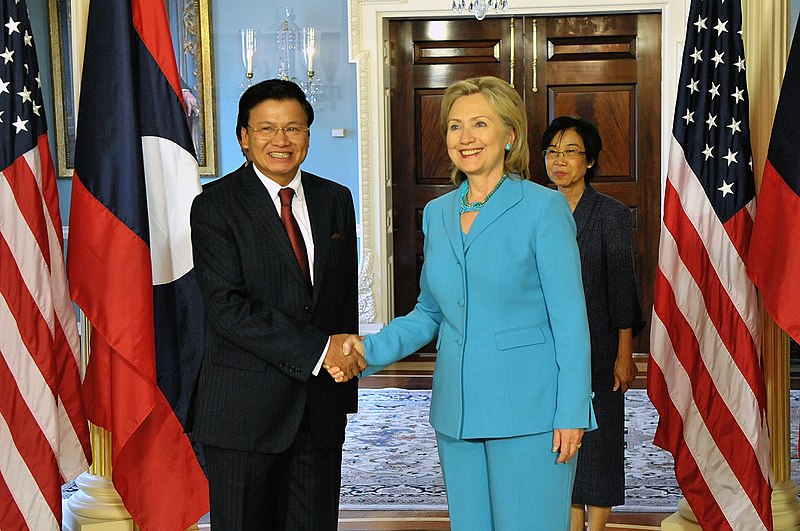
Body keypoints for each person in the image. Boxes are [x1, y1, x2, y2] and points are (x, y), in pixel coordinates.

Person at [330, 76, 595, 530]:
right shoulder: (437, 213)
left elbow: (571, 321)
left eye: (479, 124)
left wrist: (572, 411)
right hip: (456, 412)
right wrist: (364, 352)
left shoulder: (543, 208)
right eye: (455, 126)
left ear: (510, 135)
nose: (465, 138)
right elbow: (430, 312)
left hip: (531, 413)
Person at [189, 79, 366, 530]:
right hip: (244, 410)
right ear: (243, 138)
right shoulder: (214, 206)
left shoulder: (336, 199)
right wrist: (318, 351)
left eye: (293, 128)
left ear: (308, 134)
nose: (281, 141)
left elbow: (340, 300)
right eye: (267, 129)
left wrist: (341, 371)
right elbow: (228, 308)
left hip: (320, 409)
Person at [540, 116, 645, 531]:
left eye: (570, 152)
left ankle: (596, 527)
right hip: (546, 347)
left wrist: (625, 353)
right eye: (552, 152)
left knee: (598, 443)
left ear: (590, 161)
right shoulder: (536, 208)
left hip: (599, 347)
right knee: (558, 443)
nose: (559, 161)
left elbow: (623, 286)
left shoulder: (611, 215)